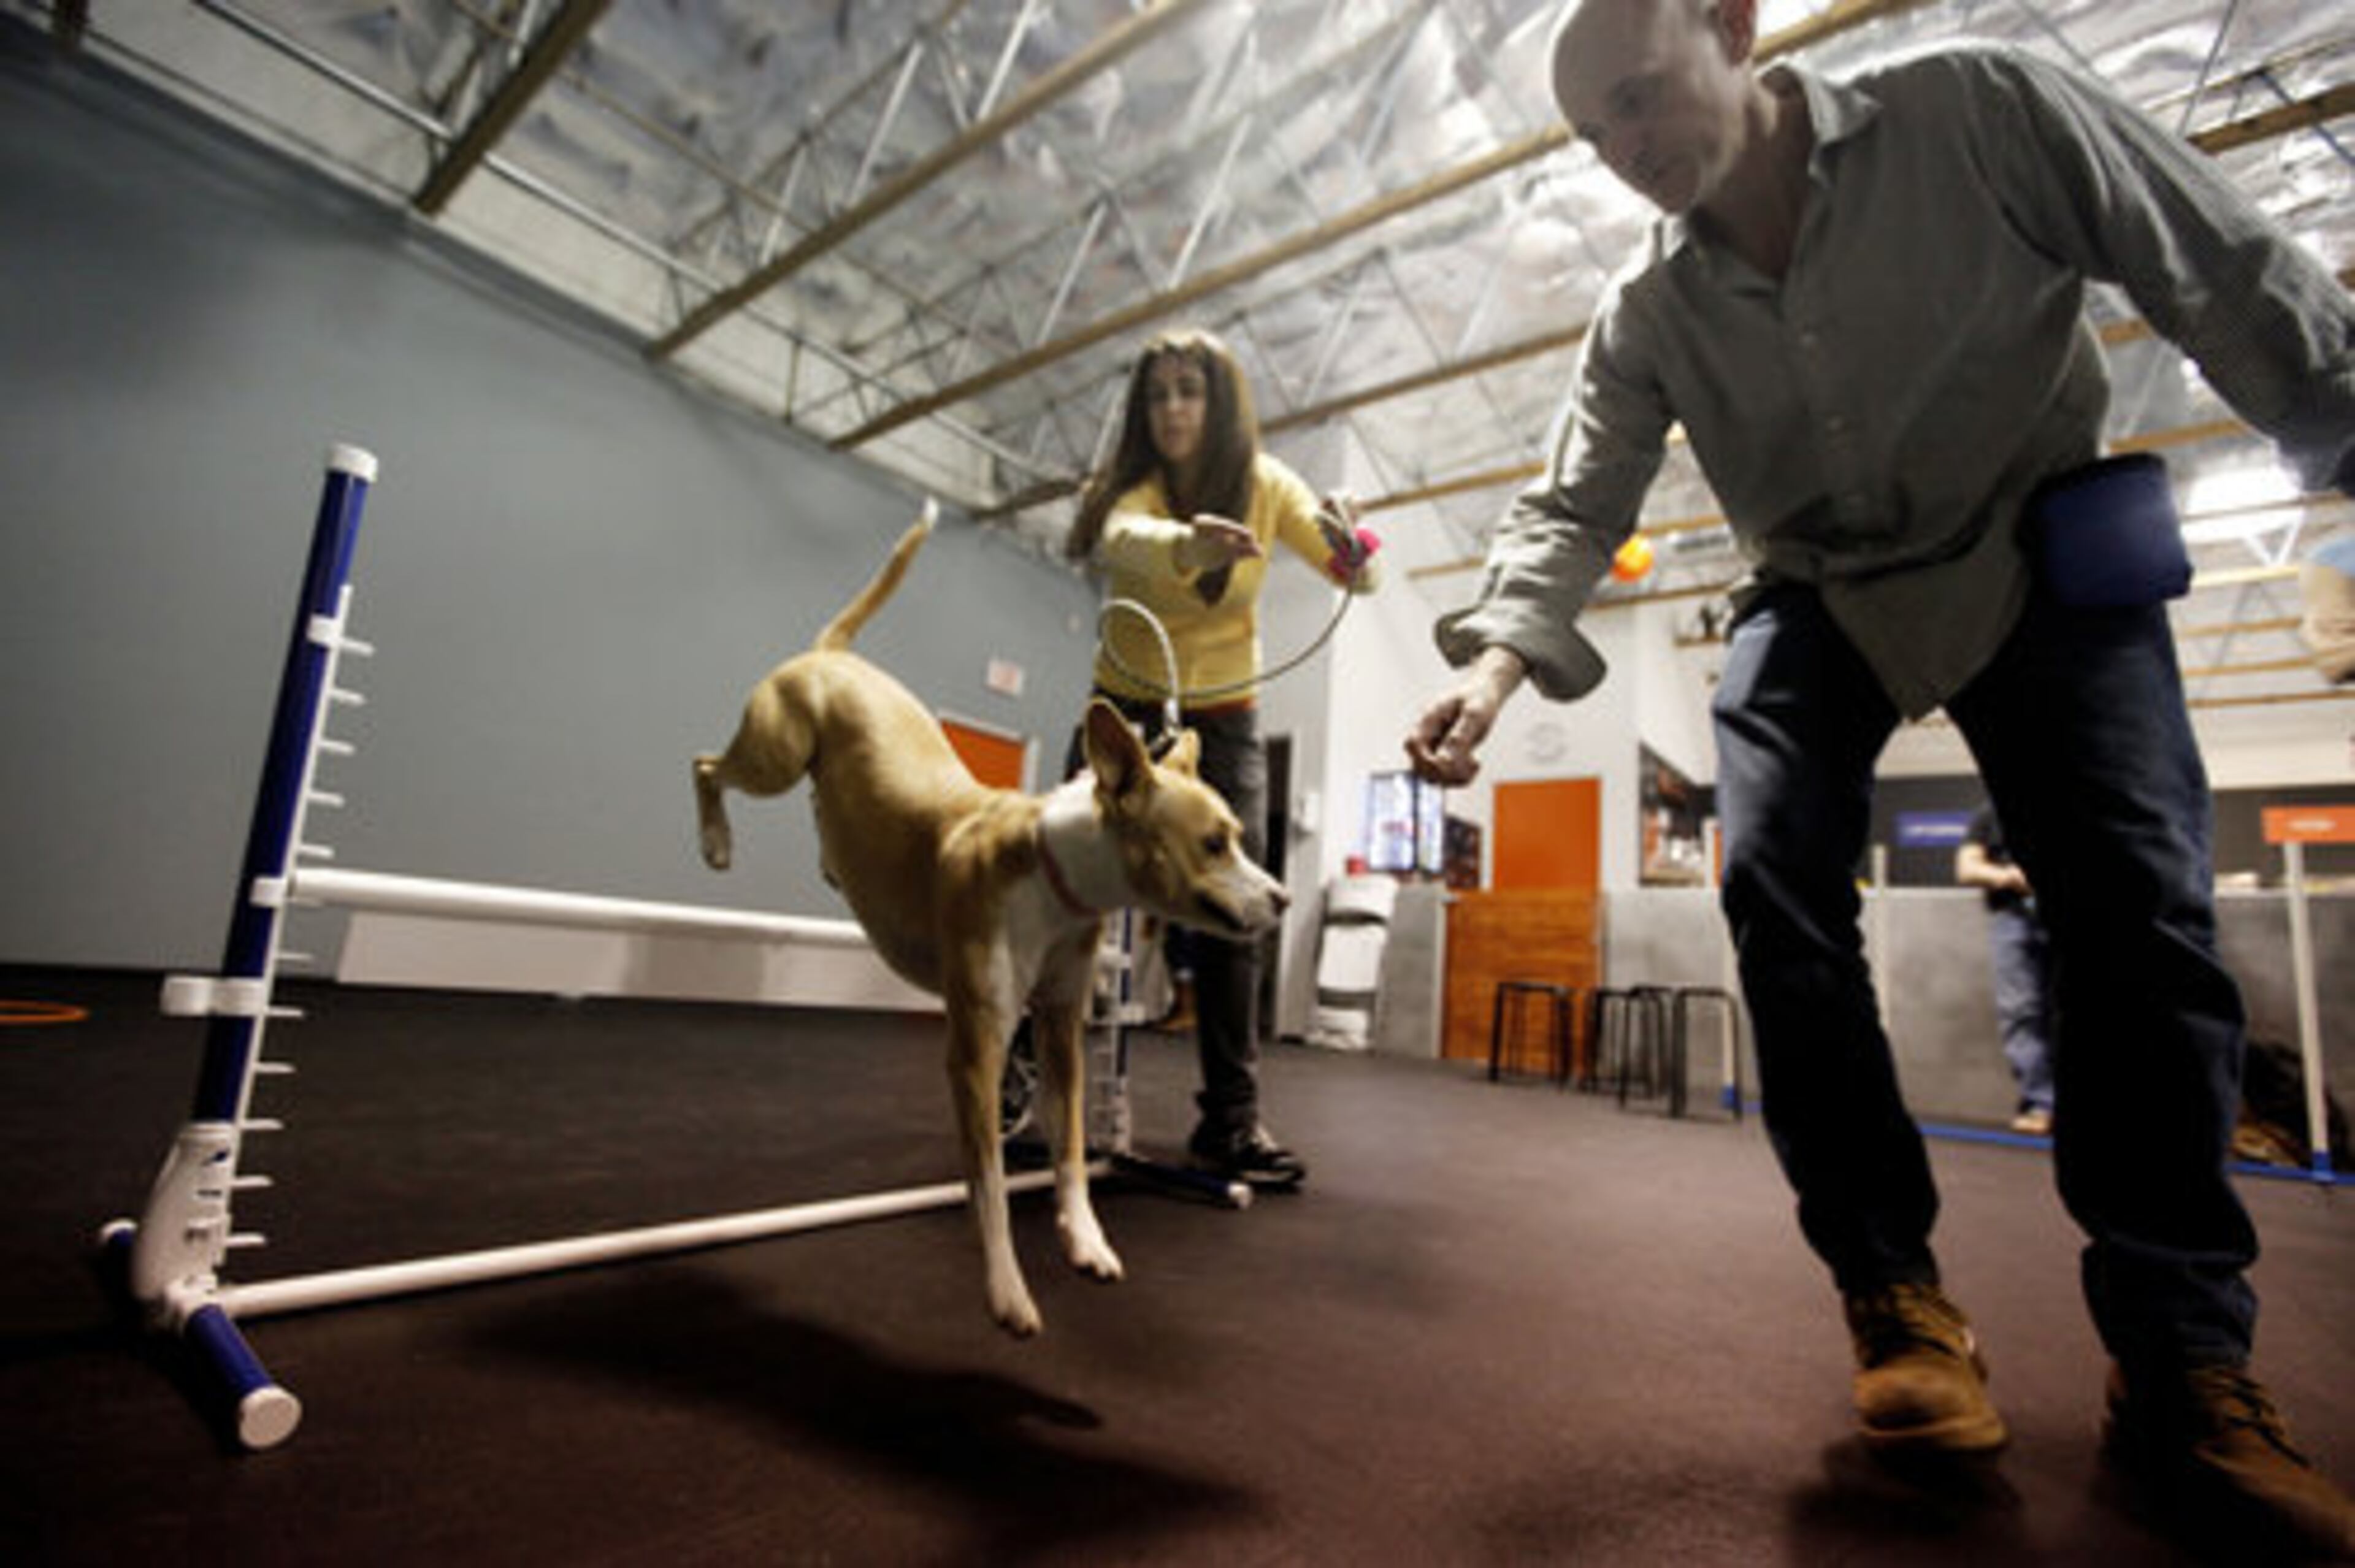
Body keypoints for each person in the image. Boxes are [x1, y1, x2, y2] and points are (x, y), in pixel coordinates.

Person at [1405, 0, 2354, 1553]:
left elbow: (2206, 254)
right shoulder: (1645, 312)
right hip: (1815, 585)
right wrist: (1494, 669)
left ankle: (2184, 1355)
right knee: (1771, 883)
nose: (1625, 152)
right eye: (1593, 135)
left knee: (2137, 904)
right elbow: (1572, 500)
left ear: (1730, 24)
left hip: (2038, 539)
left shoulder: (1979, 112)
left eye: (1639, 99)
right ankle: (1894, 1300)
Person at [1067, 325, 1381, 1188]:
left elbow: (1358, 578)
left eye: (1189, 390)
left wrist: (1355, 547)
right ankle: (1027, 1084)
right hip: (1125, 710)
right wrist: (1188, 547)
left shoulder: (1267, 486)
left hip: (1227, 716)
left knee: (1236, 912)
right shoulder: (1130, 485)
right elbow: (1118, 540)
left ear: (1221, 402)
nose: (1172, 408)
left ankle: (1232, 1124)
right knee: (1056, 890)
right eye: (1159, 393)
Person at [1955, 802, 2055, 1137]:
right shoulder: (1990, 813)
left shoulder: (2076, 802)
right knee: (2021, 1011)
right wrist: (2009, 876)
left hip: (2071, 913)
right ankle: (2043, 1102)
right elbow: (1966, 868)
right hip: (2013, 918)